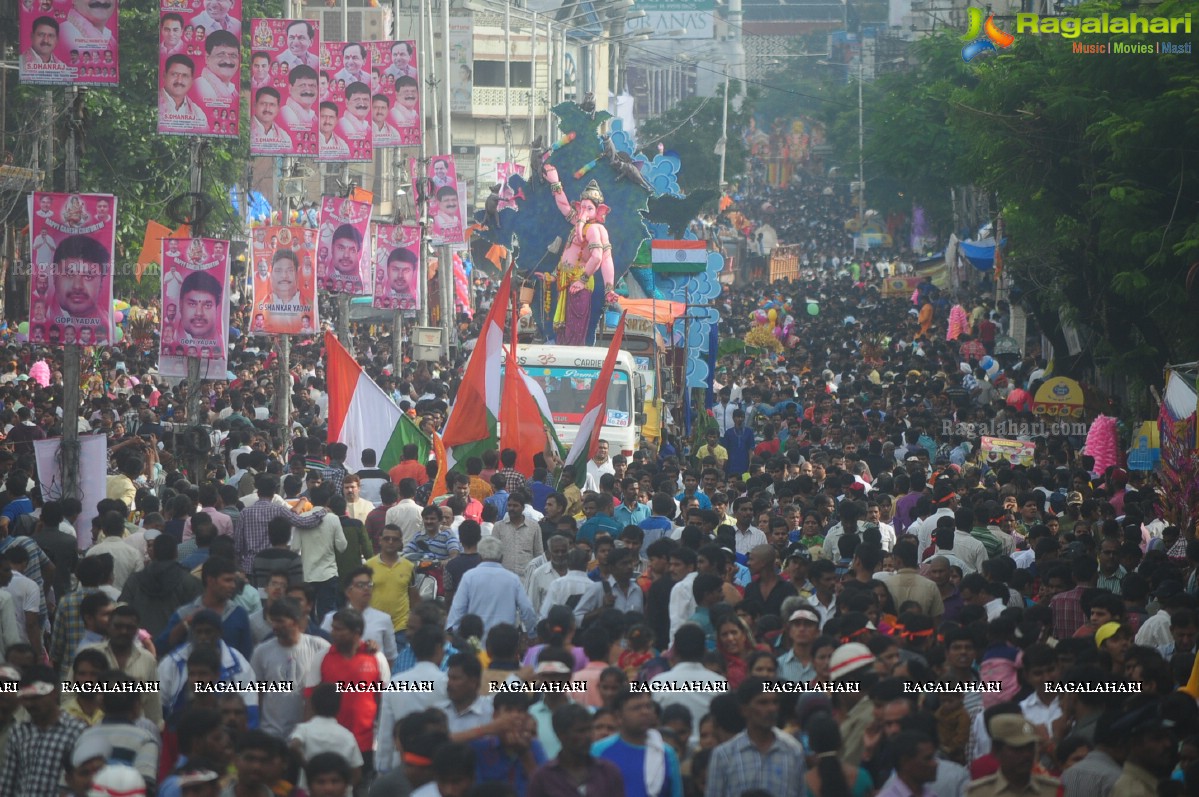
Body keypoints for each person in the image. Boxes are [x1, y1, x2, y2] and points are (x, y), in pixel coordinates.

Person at [541, 164, 616, 344]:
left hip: (577, 284)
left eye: (589, 208)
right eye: (581, 207)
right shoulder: (579, 223)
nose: (583, 212)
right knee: (562, 328)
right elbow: (564, 206)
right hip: (565, 281)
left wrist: (592, 283)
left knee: (574, 330)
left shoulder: (594, 229)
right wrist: (555, 182)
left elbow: (602, 258)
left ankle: (571, 364)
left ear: (599, 211)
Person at [0, 666, 88, 797]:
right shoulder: (19, 732)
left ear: (54, 693)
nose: (30, 704)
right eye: (26, 698)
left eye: (35, 698)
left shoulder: (77, 731)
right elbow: (8, 784)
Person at [592, 686, 684, 797]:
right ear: (618, 716)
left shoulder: (665, 753)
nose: (644, 712)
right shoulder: (598, 751)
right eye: (636, 708)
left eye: (648, 706)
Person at [194, 31, 240, 109]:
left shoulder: (233, 90)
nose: (228, 61)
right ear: (207, 58)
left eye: (233, 55)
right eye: (221, 54)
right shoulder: (200, 86)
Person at [177, 270, 221, 344]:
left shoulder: (221, 343)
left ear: (217, 308)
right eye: (192, 304)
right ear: (180, 305)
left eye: (207, 305)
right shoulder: (170, 339)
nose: (199, 313)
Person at [251, 87, 293, 152]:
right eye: (263, 104)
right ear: (255, 105)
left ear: (278, 109)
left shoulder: (285, 138)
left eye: (272, 105)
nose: (267, 109)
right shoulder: (246, 130)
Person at [280, 65, 319, 131]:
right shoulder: (286, 113)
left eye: (312, 85)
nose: (308, 90)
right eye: (302, 85)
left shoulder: (313, 116)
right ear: (290, 88)